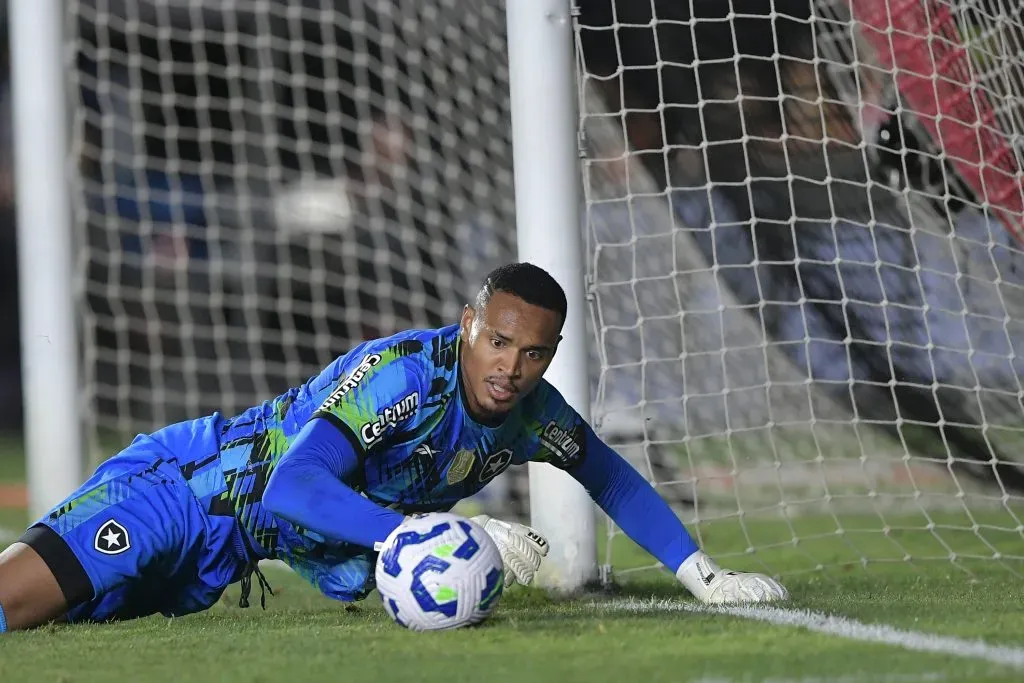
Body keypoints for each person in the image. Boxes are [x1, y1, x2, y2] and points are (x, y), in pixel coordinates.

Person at [0, 262, 787, 633]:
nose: (511, 368)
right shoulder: (405, 377)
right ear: (468, 324)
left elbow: (608, 475)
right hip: (181, 489)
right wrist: (426, 534)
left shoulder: (529, 412)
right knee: (12, 603)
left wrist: (702, 575)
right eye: (498, 342)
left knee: (52, 625)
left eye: (534, 353)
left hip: (223, 559)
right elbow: (291, 485)